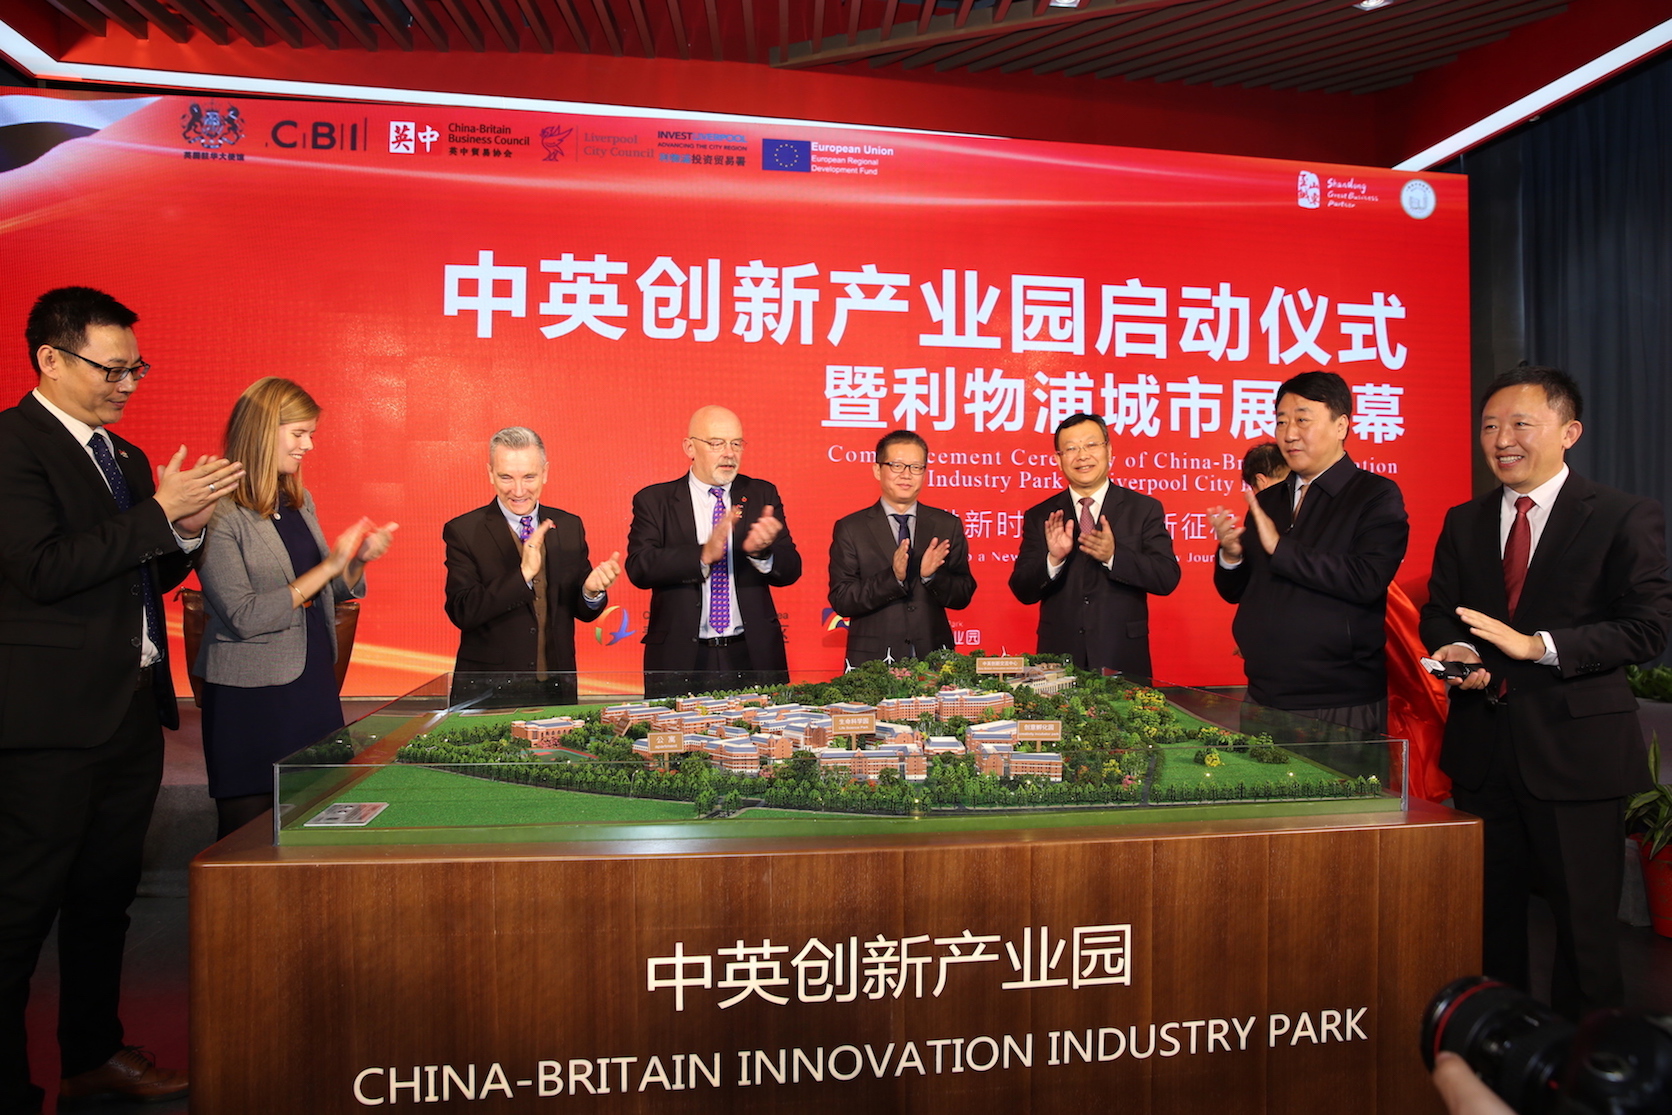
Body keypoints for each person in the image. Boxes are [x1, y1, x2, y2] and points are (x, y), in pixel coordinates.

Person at [0, 287, 240, 1112]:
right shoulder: (13, 447)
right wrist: (158, 514)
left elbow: (143, 571)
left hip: (131, 712)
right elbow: (42, 568)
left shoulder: (126, 457)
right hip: (47, 724)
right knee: (19, 912)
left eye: (137, 367)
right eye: (112, 368)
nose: (128, 383)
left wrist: (187, 527)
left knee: (105, 900)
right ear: (51, 359)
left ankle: (93, 1054)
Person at [1420, 365, 1672, 1018]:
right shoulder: (1465, 520)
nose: (1502, 439)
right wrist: (1459, 652)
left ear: (1569, 431)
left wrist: (1540, 646)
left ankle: (1584, 1059)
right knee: (1489, 923)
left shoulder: (1621, 515)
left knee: (1584, 934)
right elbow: (1441, 611)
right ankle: (1501, 1045)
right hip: (1483, 750)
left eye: (1520, 424)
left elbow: (1648, 628)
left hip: (1575, 752)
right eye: (1489, 426)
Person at [194, 378, 396, 839]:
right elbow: (244, 615)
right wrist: (328, 566)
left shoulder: (299, 501)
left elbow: (323, 591)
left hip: (312, 684)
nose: (309, 445)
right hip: (251, 696)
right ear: (263, 430)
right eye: (299, 433)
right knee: (247, 831)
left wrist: (357, 561)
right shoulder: (216, 510)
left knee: (316, 817)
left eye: (311, 434)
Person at [1209, 371, 1409, 733]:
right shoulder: (1268, 500)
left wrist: (1280, 548)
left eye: (1302, 420)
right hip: (1263, 693)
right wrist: (1231, 556)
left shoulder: (1375, 495)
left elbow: (1367, 579)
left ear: (1341, 425)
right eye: (1281, 421)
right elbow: (1235, 592)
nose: (1288, 434)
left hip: (1338, 702)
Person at [625, 405, 801, 698]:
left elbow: (791, 568)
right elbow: (640, 567)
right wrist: (701, 556)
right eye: (717, 443)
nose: (729, 453)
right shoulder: (655, 500)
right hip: (680, 657)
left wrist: (762, 554)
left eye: (736, 444)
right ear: (689, 447)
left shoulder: (761, 494)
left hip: (752, 653)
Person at [442, 427, 621, 705]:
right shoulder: (464, 531)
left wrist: (590, 592)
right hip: (488, 692)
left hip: (555, 690)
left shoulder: (569, 526)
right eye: (506, 477)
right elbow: (462, 611)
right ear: (490, 473)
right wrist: (523, 575)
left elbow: (583, 612)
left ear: (545, 472)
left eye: (529, 477)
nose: (518, 490)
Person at [1008, 413, 1181, 677]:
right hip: (1058, 660)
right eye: (1071, 449)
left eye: (1091, 445)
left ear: (1109, 450)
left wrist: (1114, 555)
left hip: (1122, 655)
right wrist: (1053, 560)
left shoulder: (1143, 509)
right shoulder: (1041, 515)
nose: (1082, 456)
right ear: (1058, 459)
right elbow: (1022, 589)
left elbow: (1166, 577)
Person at [828, 430, 976, 665]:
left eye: (916, 467)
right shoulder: (851, 528)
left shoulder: (947, 525)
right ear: (877, 470)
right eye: (896, 465)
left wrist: (931, 577)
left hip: (934, 659)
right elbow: (842, 599)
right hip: (872, 663)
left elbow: (963, 594)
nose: (906, 475)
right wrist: (893, 578)